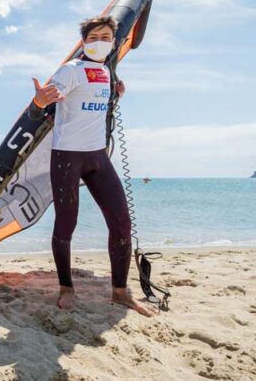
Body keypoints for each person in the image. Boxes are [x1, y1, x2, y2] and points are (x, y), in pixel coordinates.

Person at [30, 16, 156, 317]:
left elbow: (101, 106)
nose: (100, 41)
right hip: (67, 157)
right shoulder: (70, 71)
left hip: (98, 157)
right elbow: (44, 108)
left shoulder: (108, 73)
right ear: (84, 41)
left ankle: (121, 292)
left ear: (113, 42)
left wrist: (116, 93)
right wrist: (38, 101)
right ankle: (66, 288)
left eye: (106, 37)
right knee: (66, 223)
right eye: (94, 36)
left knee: (122, 223)